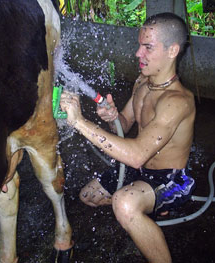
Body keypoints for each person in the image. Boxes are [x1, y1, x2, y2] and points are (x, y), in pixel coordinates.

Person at [60, 12, 196, 263]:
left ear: (172, 50)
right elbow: (123, 124)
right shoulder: (143, 84)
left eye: (147, 47)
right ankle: (149, 208)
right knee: (87, 196)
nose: (137, 54)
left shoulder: (177, 102)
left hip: (169, 180)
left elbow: (134, 155)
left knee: (124, 204)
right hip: (141, 170)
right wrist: (112, 118)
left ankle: (149, 207)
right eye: (138, 45)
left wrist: (80, 122)